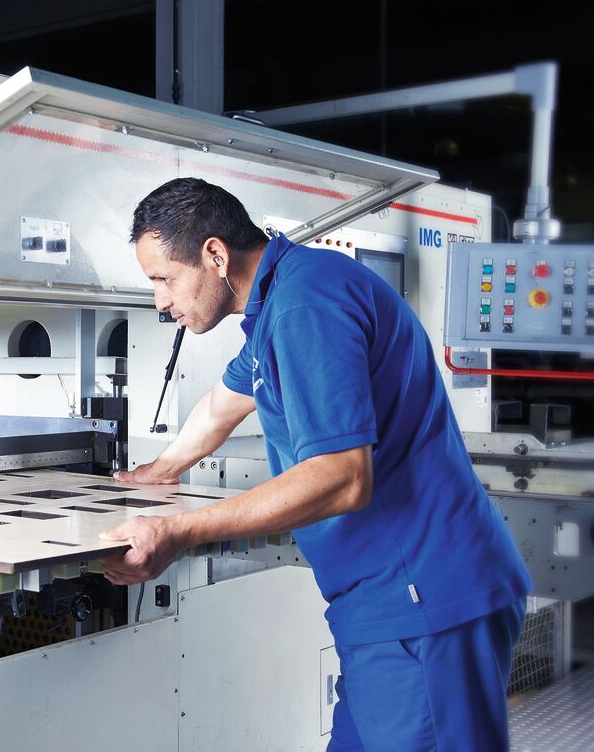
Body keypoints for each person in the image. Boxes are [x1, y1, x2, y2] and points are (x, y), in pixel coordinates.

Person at [99, 177, 533, 751]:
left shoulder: (306, 304)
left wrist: (179, 530)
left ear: (215, 255)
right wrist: (153, 474)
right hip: (381, 606)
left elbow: (342, 477)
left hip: (424, 604)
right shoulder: (279, 301)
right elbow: (218, 409)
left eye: (164, 280)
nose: (160, 302)